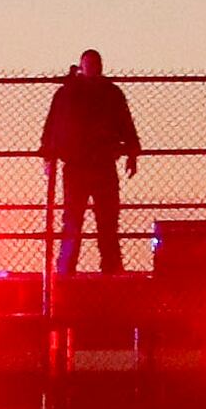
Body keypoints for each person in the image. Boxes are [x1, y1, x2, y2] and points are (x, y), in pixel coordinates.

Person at [41, 49, 143, 275]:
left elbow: (125, 122)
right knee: (80, 221)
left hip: (96, 164)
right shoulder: (77, 94)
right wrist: (48, 154)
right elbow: (53, 126)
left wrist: (132, 152)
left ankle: (93, 268)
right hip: (84, 164)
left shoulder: (83, 93)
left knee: (99, 220)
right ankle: (77, 269)